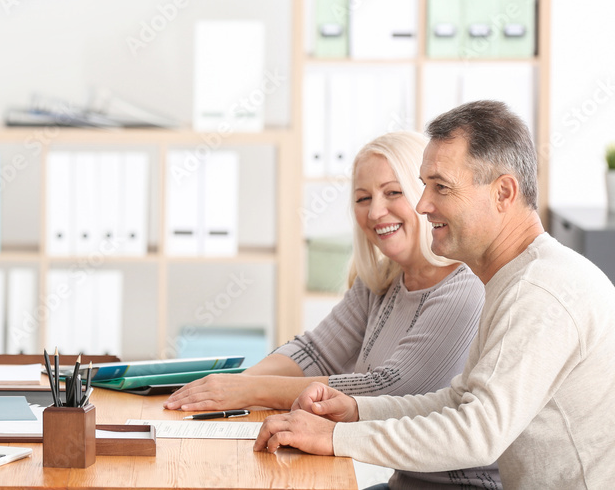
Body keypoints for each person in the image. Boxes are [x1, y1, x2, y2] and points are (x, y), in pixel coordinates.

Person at [255, 100, 615, 489]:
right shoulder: (516, 279)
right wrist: (357, 411)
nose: (423, 205)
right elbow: (460, 399)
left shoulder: (539, 292)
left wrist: (335, 438)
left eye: (440, 187)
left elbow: (476, 433)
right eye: (424, 186)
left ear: (503, 193)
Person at [165, 131, 499, 488]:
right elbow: (315, 352)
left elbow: (388, 388)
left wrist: (251, 391)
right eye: (362, 198)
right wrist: (232, 386)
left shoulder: (464, 288)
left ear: (425, 195)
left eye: (393, 192)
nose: (374, 211)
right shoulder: (382, 279)